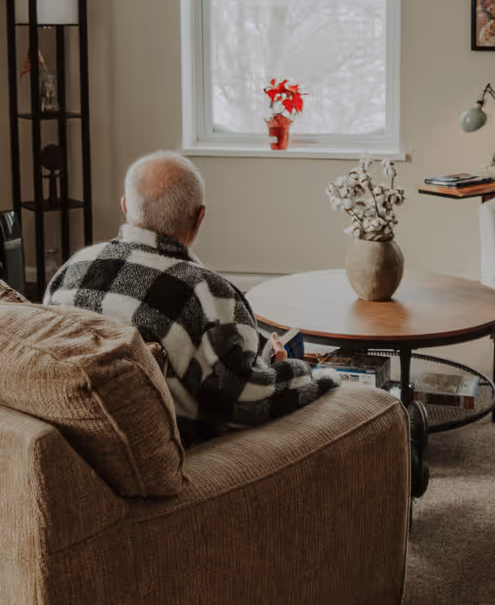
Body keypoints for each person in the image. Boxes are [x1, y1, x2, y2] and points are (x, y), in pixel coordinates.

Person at [45, 151, 335, 444]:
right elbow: (248, 403)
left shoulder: (73, 268)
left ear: (124, 207)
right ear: (200, 217)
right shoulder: (211, 293)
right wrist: (308, 373)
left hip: (76, 437)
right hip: (169, 451)